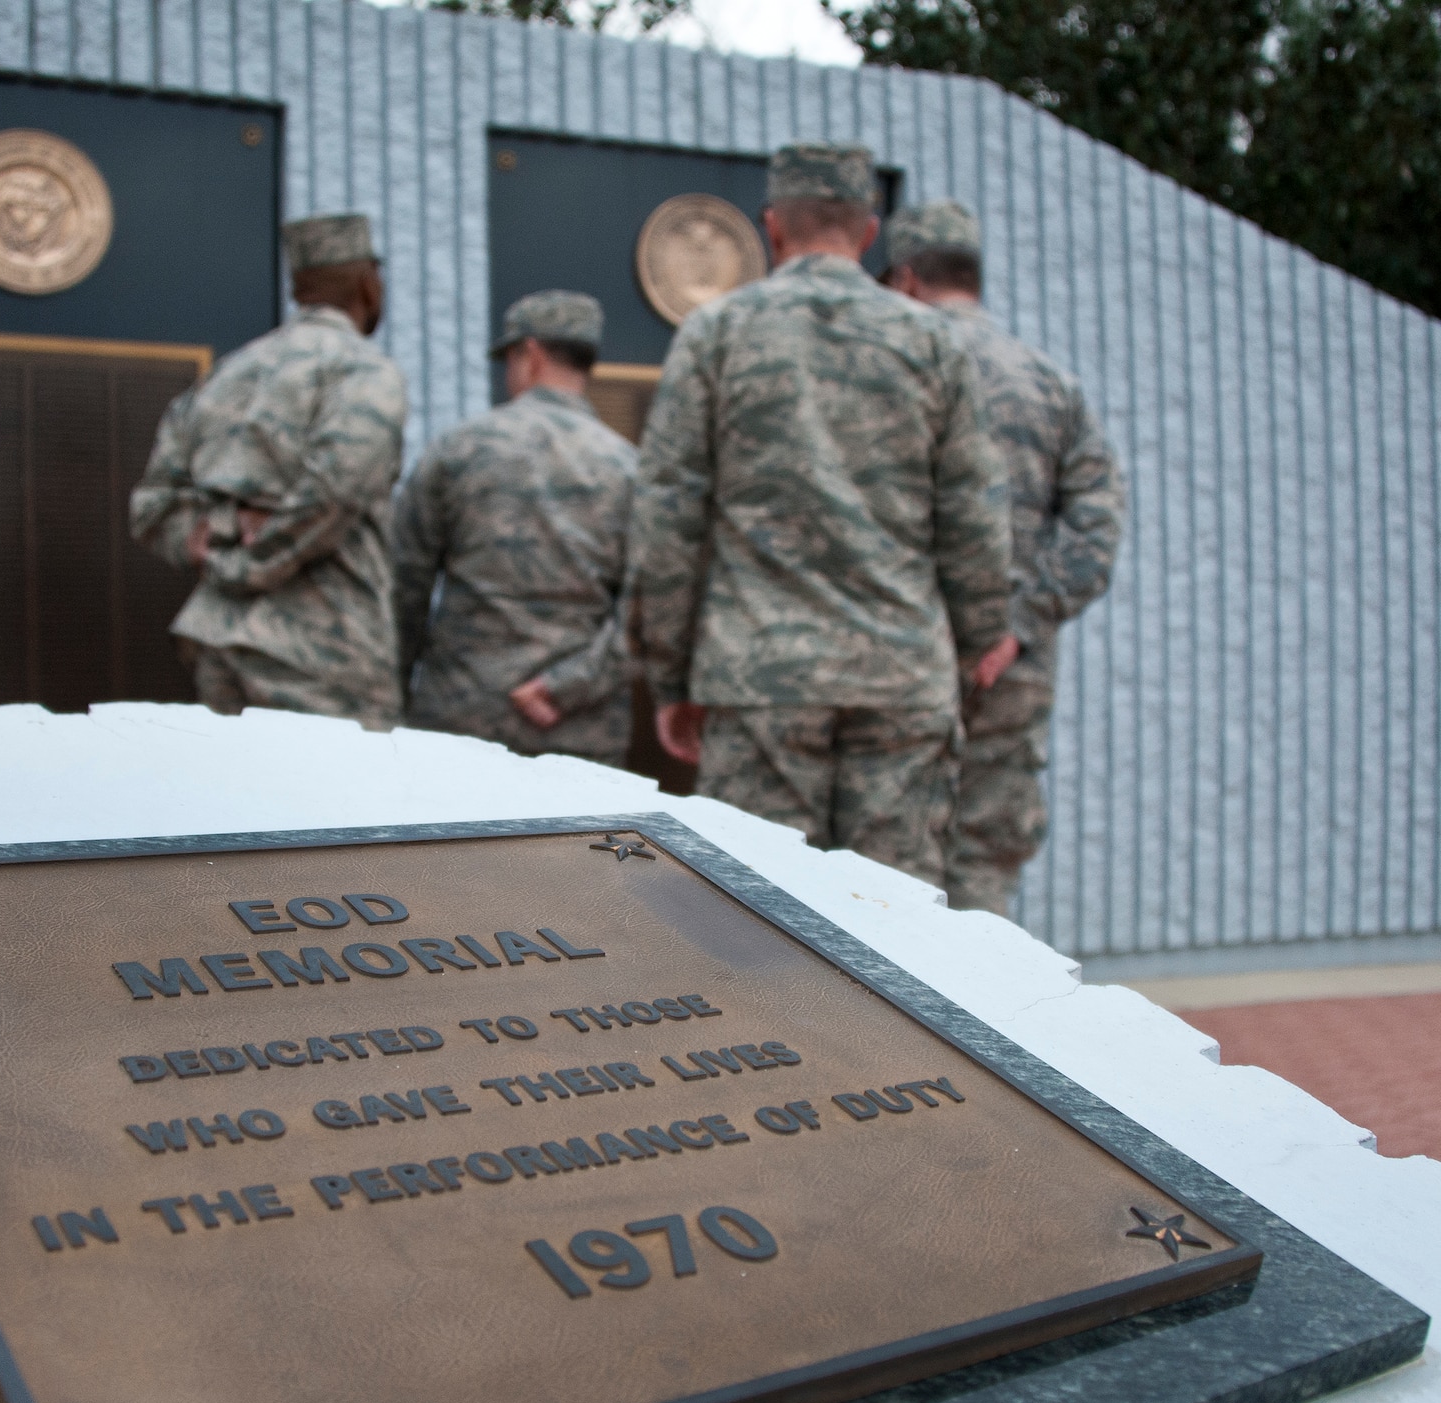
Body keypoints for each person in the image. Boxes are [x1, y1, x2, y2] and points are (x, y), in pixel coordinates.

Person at [631, 143, 1013, 887]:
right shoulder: (932, 340)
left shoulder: (717, 332)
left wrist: (670, 675)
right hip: (902, 677)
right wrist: (975, 642)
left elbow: (668, 515)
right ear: (869, 232)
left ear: (772, 226)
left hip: (761, 677)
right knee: (894, 917)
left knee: (760, 918)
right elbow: (973, 512)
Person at [881, 199, 1126, 915]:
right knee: (983, 859)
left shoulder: (890, 373)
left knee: (883, 866)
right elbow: (1097, 528)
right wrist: (1015, 626)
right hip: (1010, 672)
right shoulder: (1048, 382)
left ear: (905, 278)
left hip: (899, 658)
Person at [129, 213, 407, 728]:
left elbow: (151, 506)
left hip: (217, 638)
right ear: (369, 285)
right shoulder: (364, 371)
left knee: (236, 781)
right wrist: (248, 567)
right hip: (323, 652)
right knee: (343, 784)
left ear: (300, 289)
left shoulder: (228, 374)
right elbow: (336, 494)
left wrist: (219, 536)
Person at [393, 291, 637, 762]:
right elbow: (651, 612)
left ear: (531, 354)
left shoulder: (458, 450)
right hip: (579, 731)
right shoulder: (629, 468)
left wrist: (392, 696)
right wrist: (565, 686)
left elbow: (404, 588)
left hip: (461, 720)